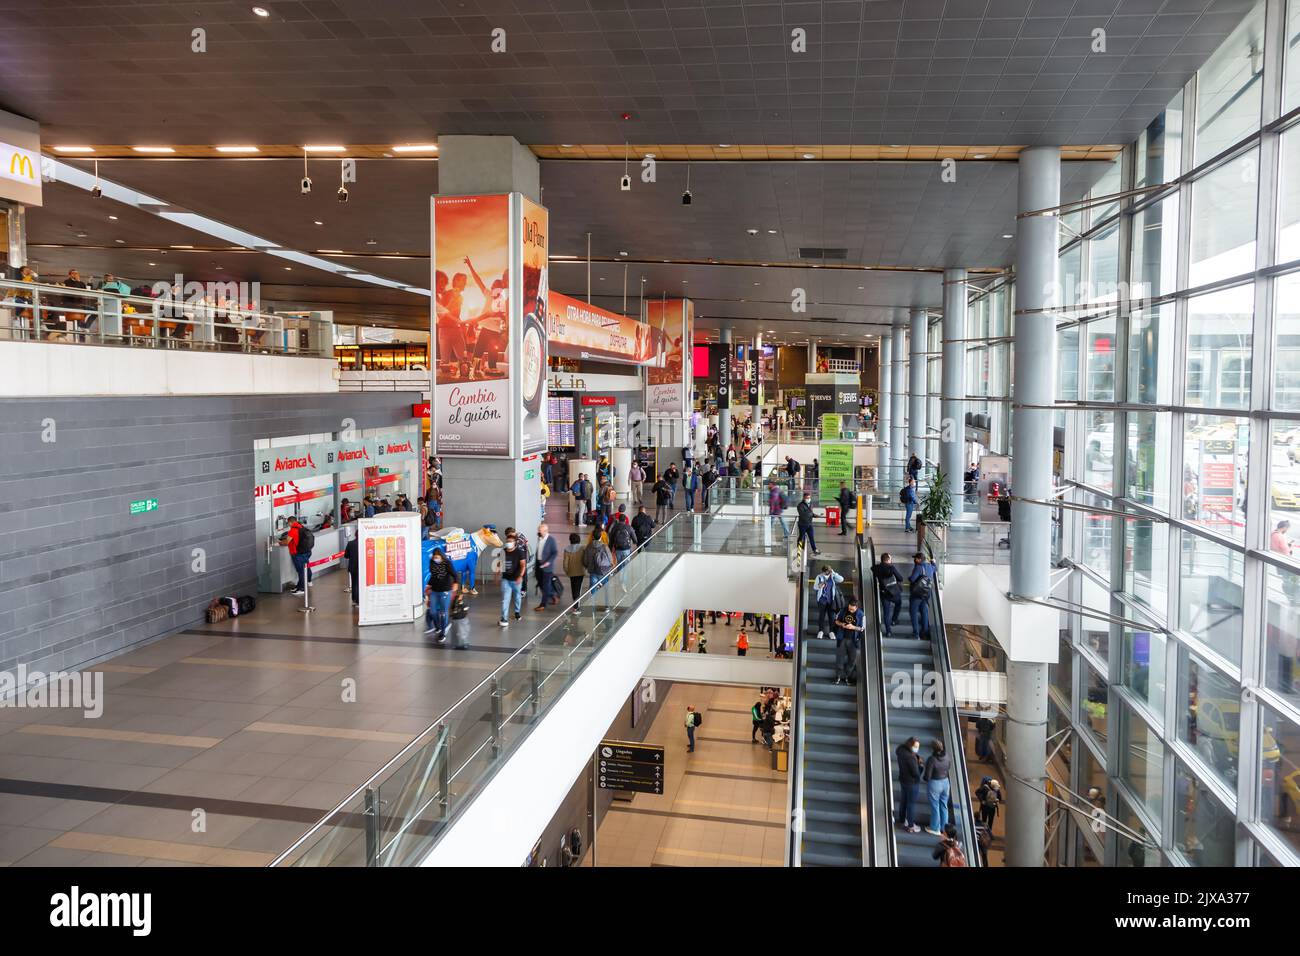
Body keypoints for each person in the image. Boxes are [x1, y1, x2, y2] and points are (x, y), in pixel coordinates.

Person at [425, 548, 460, 640]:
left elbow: (455, 574)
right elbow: (433, 575)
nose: (435, 559)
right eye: (434, 557)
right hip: (434, 590)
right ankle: (439, 626)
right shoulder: (432, 563)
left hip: (445, 590)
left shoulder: (447, 563)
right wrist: (428, 585)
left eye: (437, 557)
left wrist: (456, 584)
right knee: (432, 611)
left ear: (441, 556)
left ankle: (443, 633)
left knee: (443, 612)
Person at [922, 739, 951, 836]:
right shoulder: (947, 756)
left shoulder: (932, 759)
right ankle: (944, 827)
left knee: (935, 806)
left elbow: (927, 776)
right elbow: (949, 766)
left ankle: (935, 828)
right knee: (944, 805)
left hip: (935, 783)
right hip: (946, 782)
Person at [833, 598, 864, 685]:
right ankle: (838, 676)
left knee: (852, 660)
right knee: (839, 659)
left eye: (852, 609)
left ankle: (847, 676)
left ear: (856, 607)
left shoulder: (861, 615)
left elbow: (862, 628)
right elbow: (836, 621)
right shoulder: (843, 611)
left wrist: (853, 627)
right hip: (842, 638)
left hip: (854, 641)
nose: (850, 610)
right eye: (849, 608)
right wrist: (842, 624)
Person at [896, 736, 924, 833]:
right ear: (910, 745)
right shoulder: (911, 758)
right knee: (911, 803)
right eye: (915, 746)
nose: (917, 748)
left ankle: (902, 820)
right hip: (912, 783)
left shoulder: (901, 751)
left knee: (904, 800)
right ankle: (911, 825)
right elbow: (916, 773)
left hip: (903, 780)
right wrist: (920, 766)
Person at [280, 516, 314, 595]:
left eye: (288, 523)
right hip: (306, 551)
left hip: (298, 553)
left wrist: (279, 542)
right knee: (307, 567)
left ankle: (301, 588)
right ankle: (308, 581)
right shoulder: (301, 527)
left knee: (301, 571)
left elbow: (286, 542)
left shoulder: (293, 530)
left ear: (290, 522)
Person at [872, 552, 905, 631]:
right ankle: (894, 620)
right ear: (888, 560)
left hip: (884, 592)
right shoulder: (891, 568)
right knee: (899, 603)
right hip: (893, 592)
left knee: (886, 612)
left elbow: (873, 570)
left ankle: (888, 631)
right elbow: (900, 578)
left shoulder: (875, 568)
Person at [499, 531, 526, 626]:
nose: (508, 543)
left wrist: (520, 576)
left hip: (516, 579)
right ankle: (504, 618)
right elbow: (500, 563)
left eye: (510, 541)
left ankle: (517, 612)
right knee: (505, 599)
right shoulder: (503, 551)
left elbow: (523, 565)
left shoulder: (519, 552)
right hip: (505, 579)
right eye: (507, 541)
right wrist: (496, 573)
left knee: (517, 597)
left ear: (514, 542)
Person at [909, 552, 937, 639]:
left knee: (913, 612)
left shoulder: (918, 567)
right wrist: (933, 562)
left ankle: (916, 634)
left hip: (917, 594)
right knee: (924, 611)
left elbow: (913, 579)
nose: (915, 560)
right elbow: (935, 569)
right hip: (926, 593)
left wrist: (909, 578)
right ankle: (925, 632)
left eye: (916, 558)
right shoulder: (930, 566)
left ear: (919, 559)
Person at [532, 522, 559, 612]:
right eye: (538, 530)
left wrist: (549, 562)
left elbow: (555, 552)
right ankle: (552, 595)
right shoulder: (540, 538)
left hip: (547, 567)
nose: (538, 532)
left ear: (545, 531)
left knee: (546, 585)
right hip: (539, 565)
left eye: (540, 530)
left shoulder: (551, 540)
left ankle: (543, 604)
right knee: (540, 583)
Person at [813, 564, 844, 639]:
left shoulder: (833, 576)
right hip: (822, 600)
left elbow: (841, 579)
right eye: (824, 572)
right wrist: (819, 586)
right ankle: (820, 631)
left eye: (827, 572)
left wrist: (834, 573)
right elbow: (815, 587)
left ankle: (831, 631)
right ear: (822, 572)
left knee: (831, 616)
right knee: (821, 616)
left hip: (831, 600)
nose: (826, 574)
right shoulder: (819, 576)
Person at [562, 532, 586, 611]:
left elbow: (565, 563)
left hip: (571, 572)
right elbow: (585, 560)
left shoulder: (567, 550)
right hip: (580, 571)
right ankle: (576, 607)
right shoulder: (583, 548)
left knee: (573, 588)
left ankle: (575, 604)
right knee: (578, 589)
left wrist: (567, 571)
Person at [796, 490, 820, 555]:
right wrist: (811, 513)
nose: (808, 499)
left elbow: (810, 513)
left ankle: (814, 549)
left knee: (811, 537)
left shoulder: (811, 504)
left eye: (809, 498)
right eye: (807, 498)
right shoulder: (800, 505)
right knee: (801, 537)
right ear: (804, 498)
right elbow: (803, 515)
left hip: (809, 524)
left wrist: (815, 515)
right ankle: (799, 548)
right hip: (802, 524)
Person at [343, 529, 359, 608]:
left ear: (355, 535)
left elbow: (346, 556)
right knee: (359, 583)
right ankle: (359, 600)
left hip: (352, 567)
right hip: (361, 567)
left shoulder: (350, 543)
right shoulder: (365, 543)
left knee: (354, 583)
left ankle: (354, 599)